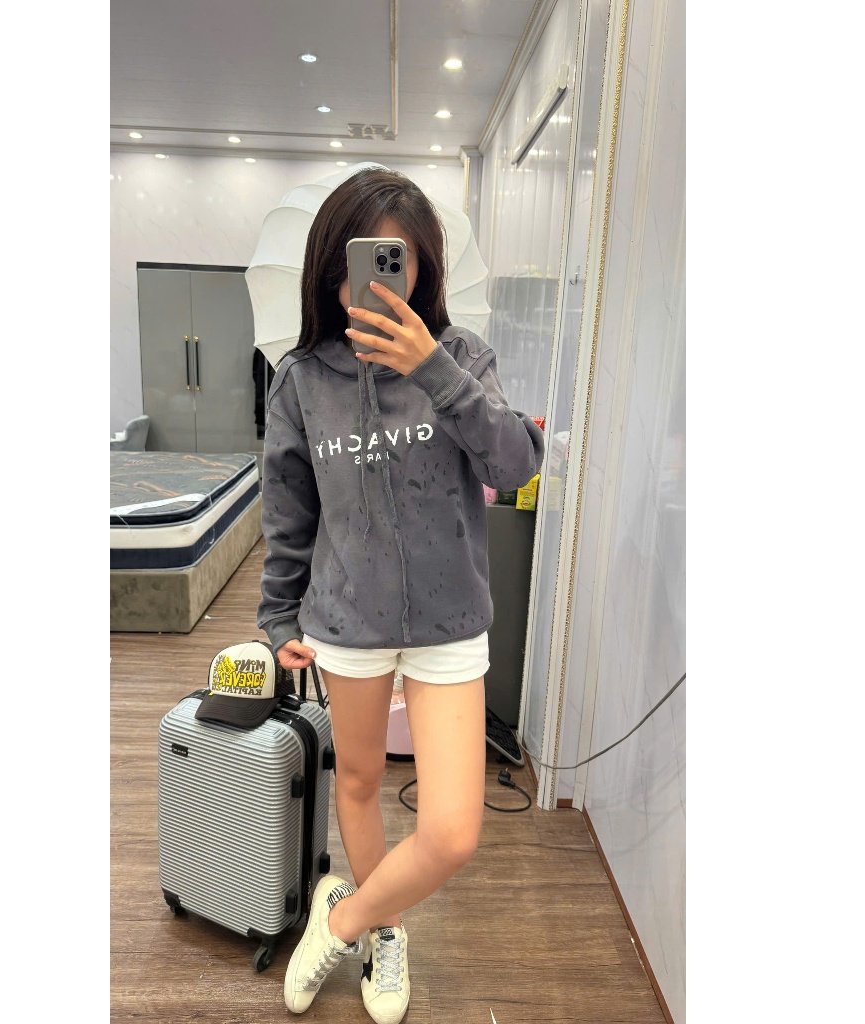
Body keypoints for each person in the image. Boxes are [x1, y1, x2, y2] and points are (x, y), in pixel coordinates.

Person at [256, 166, 544, 1022]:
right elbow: (289, 512)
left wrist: (434, 372)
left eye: (403, 259)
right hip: (347, 620)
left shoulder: (462, 358)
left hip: (449, 624)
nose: (386, 276)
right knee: (358, 784)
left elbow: (515, 465)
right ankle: (387, 933)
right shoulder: (301, 380)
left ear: (423, 268)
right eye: (368, 257)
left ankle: (343, 920)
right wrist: (277, 617)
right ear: (332, 266)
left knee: (452, 830)